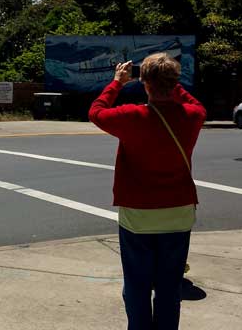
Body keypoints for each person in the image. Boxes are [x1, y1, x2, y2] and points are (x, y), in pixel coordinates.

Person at [88, 53, 206, 330]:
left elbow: (96, 111)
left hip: (138, 216)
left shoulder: (131, 116)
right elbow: (195, 104)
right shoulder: (192, 116)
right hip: (178, 214)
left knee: (137, 285)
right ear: (174, 81)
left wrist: (117, 82)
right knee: (169, 288)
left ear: (144, 83)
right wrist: (168, 82)